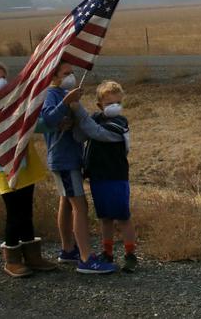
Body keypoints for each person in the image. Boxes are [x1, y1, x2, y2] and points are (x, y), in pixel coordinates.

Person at [0, 60, 57, 278]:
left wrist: (53, 120)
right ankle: (11, 259)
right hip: (3, 165)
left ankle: (32, 255)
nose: (0, 82)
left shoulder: (11, 98)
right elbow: (4, 128)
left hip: (23, 160)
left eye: (3, 77)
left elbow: (30, 122)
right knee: (14, 212)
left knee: (26, 208)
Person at [40, 61, 117, 274]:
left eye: (72, 73)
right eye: (66, 73)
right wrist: (66, 103)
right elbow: (47, 119)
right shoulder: (52, 95)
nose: (71, 77)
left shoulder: (64, 94)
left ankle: (68, 249)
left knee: (66, 201)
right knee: (80, 207)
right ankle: (86, 258)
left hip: (69, 157)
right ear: (54, 77)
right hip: (63, 159)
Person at [71, 80, 138, 273]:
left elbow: (96, 133)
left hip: (116, 176)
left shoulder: (120, 123)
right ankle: (107, 252)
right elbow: (80, 135)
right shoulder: (95, 118)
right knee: (105, 218)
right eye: (109, 104)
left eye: (118, 102)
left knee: (123, 217)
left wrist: (79, 111)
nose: (114, 107)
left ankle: (130, 255)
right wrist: (72, 119)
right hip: (98, 176)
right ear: (100, 105)